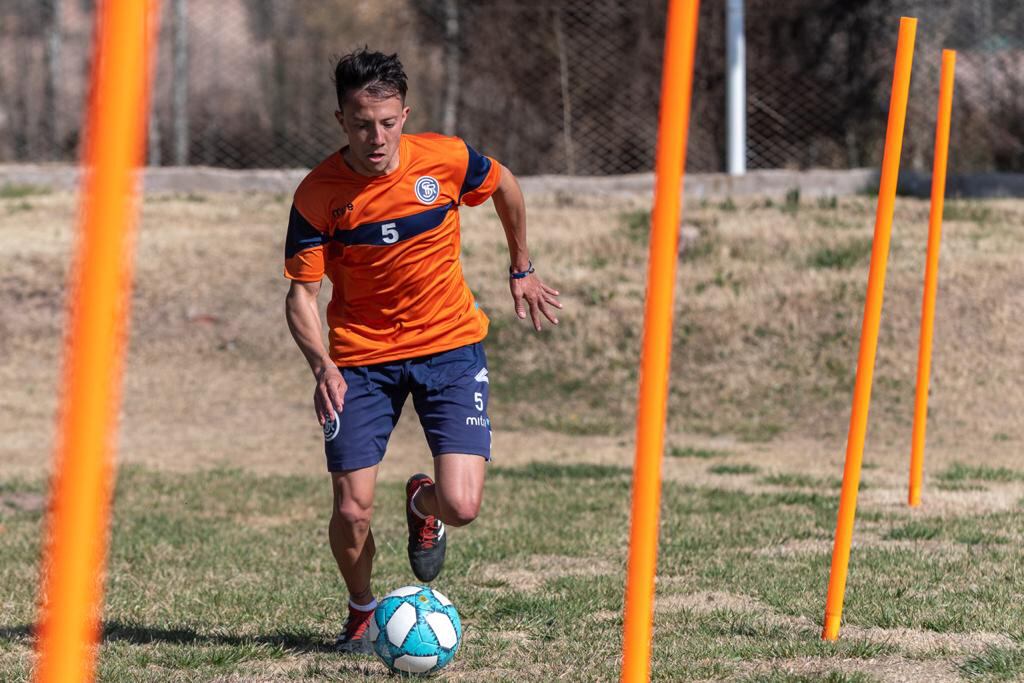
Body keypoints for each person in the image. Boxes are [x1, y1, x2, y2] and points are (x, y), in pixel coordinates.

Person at [283, 48, 561, 652]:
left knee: (462, 506)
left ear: (404, 114)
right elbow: (301, 298)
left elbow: (506, 185)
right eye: (361, 124)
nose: (375, 137)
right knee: (353, 509)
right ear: (340, 120)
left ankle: (422, 502)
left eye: (387, 122)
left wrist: (521, 264)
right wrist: (321, 364)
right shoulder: (317, 195)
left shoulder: (448, 159)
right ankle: (361, 611)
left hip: (451, 347)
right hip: (359, 358)